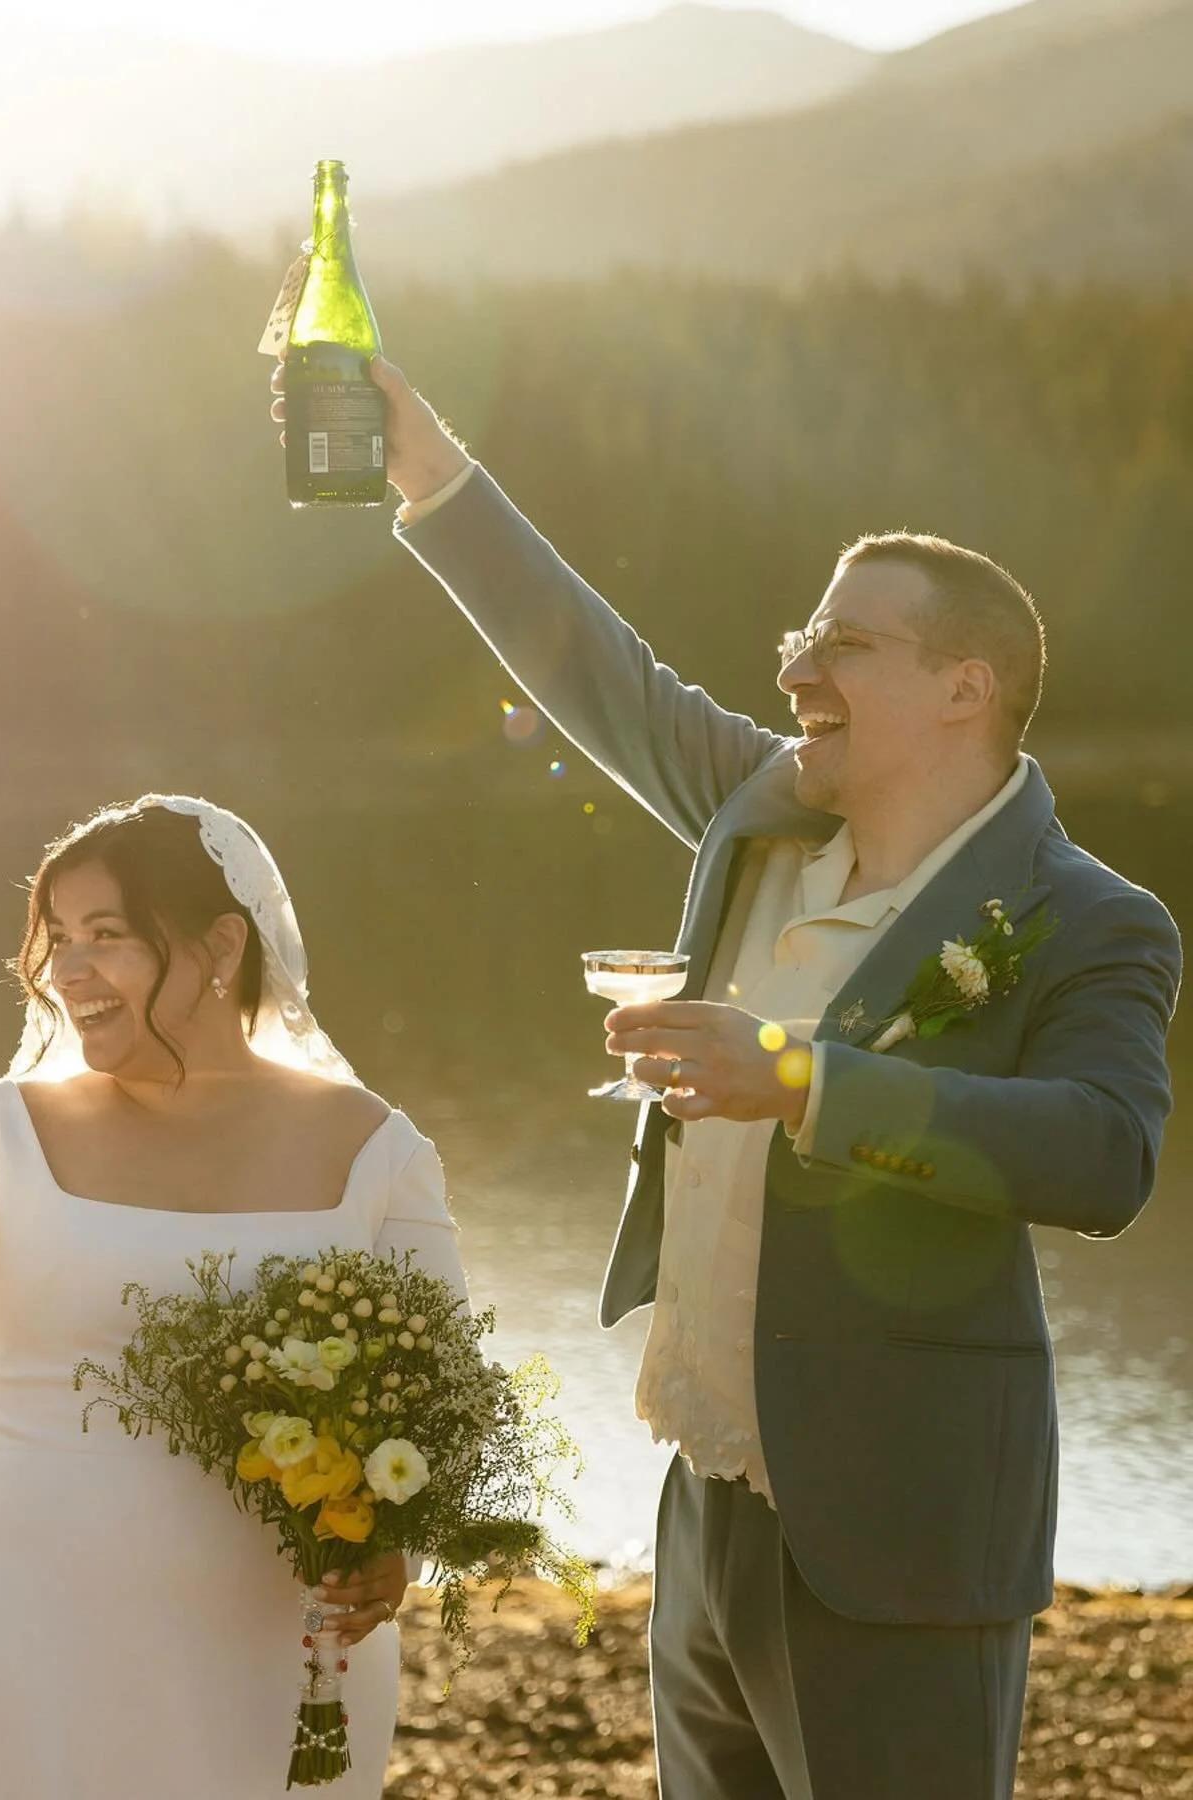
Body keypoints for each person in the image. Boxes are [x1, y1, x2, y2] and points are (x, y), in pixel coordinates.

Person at [272, 359, 1182, 1798]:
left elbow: (1103, 1155)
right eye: (801, 631)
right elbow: (593, 664)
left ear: (965, 689)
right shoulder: (758, 817)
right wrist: (423, 466)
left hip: (900, 1530)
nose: (796, 667)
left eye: (846, 643)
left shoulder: (1091, 917)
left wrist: (804, 1080)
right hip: (708, 1501)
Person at [0, 793, 468, 1800]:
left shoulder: (374, 1147)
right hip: (32, 1618)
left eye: (107, 935)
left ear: (220, 943)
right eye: (59, 938)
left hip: (285, 1638)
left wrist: (397, 1543)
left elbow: (441, 1390)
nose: (67, 969)